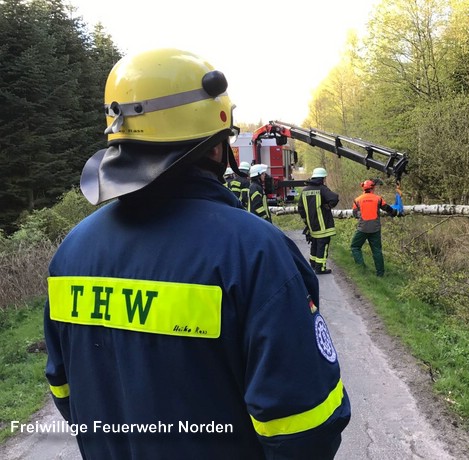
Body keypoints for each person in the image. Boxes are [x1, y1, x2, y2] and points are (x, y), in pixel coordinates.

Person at [43, 48, 350, 460]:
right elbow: (306, 427)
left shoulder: (70, 252)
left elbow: (64, 391)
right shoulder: (256, 253)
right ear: (216, 147)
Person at [350, 179, 398, 277]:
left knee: (355, 246)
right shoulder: (378, 199)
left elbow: (355, 214)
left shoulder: (357, 200)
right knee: (377, 251)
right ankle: (380, 274)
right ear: (373, 188)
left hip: (362, 229)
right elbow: (388, 208)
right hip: (375, 229)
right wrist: (395, 213)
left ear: (363, 188)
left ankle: (361, 269)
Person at [297, 167, 339, 275]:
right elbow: (334, 198)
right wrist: (328, 206)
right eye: (324, 178)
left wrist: (306, 221)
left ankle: (314, 263)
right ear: (321, 179)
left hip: (312, 226)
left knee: (314, 244)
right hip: (323, 225)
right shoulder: (322, 189)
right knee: (323, 245)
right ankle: (320, 268)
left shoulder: (305, 190)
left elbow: (300, 209)